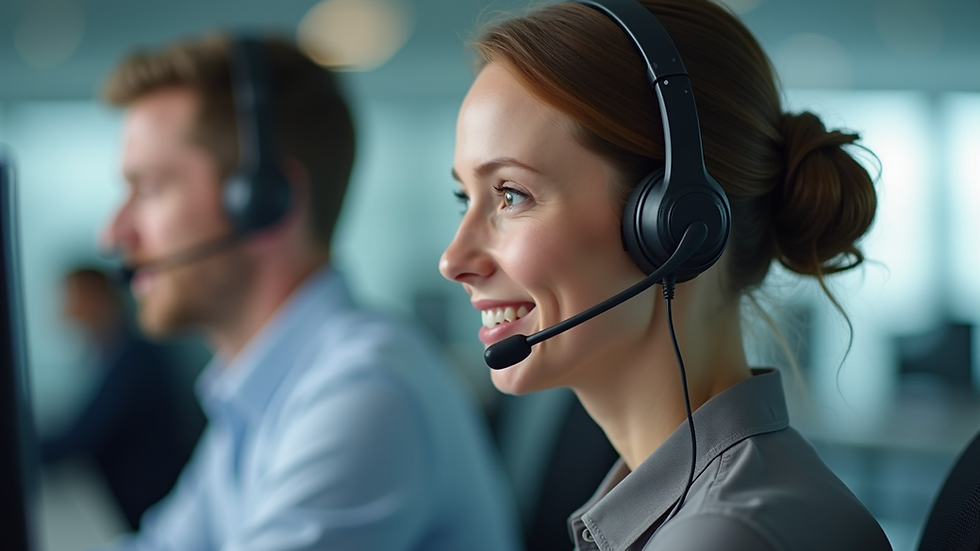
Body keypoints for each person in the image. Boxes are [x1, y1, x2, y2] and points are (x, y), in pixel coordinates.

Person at [439, 0, 893, 549]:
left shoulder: (724, 536)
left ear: (675, 222)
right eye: (465, 197)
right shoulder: (697, 509)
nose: (454, 260)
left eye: (511, 194)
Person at [99, 34, 520, 551]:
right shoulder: (262, 397)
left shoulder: (363, 390)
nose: (114, 234)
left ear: (263, 202)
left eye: (149, 189)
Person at [40, 267, 204, 530]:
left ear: (96, 297)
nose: (62, 307)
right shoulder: (108, 352)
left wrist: (20, 450)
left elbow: (80, 437)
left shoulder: (133, 361)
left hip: (147, 508)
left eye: (71, 296)